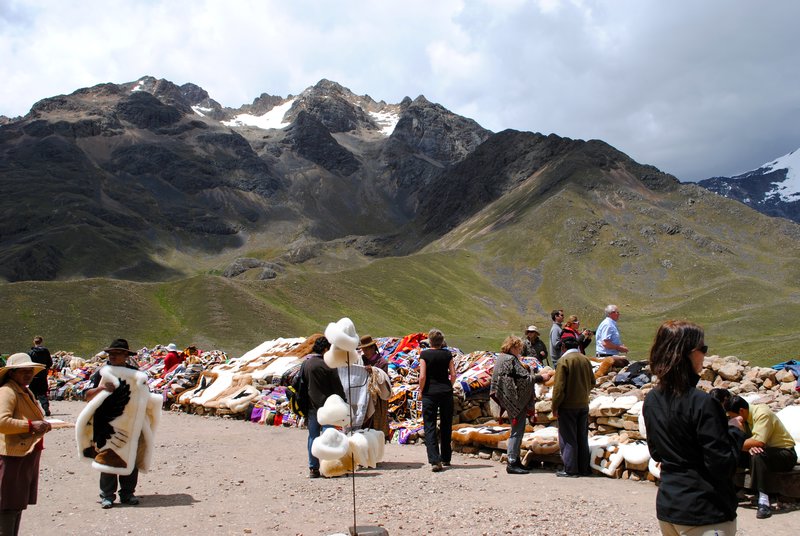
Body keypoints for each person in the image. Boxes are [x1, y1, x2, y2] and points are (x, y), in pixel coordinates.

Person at [642, 321, 745, 535]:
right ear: (687, 353)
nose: (705, 355)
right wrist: (735, 431)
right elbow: (722, 464)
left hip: (669, 506)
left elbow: (657, 452)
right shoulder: (703, 403)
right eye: (703, 349)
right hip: (705, 511)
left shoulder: (652, 399)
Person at [83, 339, 143, 509]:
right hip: (106, 423)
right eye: (111, 353)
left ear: (126, 355)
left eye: (117, 353)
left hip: (130, 423)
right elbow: (86, 395)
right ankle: (107, 495)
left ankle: (127, 493)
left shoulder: (136, 374)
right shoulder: (102, 373)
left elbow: (144, 397)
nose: (113, 356)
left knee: (130, 457)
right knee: (107, 457)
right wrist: (102, 389)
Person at [0, 353, 53, 536]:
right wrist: (31, 425)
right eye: (23, 371)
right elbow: (2, 422)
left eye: (30, 371)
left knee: (16, 504)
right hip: (12, 455)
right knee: (7, 505)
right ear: (12, 373)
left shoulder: (23, 390)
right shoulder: (8, 391)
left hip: (24, 453)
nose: (28, 374)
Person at [723, 394, 797, 519]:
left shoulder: (762, 414)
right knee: (731, 453)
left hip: (784, 454)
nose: (731, 418)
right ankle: (731, 490)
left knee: (757, 454)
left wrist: (734, 441)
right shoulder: (744, 418)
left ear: (741, 411)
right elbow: (749, 443)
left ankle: (764, 501)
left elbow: (759, 443)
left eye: (732, 415)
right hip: (761, 451)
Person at [491, 335, 552, 474]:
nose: (519, 350)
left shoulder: (501, 358)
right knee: (517, 431)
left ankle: (516, 460)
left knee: (517, 430)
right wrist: (540, 378)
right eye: (518, 348)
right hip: (515, 400)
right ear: (512, 347)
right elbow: (523, 379)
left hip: (509, 398)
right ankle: (512, 462)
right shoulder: (511, 359)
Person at [302, 336, 346, 479]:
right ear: (326, 349)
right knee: (330, 437)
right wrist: (343, 402)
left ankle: (313, 468)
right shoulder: (329, 365)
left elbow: (302, 385)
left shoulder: (306, 364)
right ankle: (330, 468)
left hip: (311, 407)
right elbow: (337, 387)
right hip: (328, 408)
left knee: (313, 437)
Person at [551, 337, 594, 477]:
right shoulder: (585, 359)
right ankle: (584, 467)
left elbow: (559, 387)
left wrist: (555, 406)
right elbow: (592, 381)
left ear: (563, 346)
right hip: (583, 403)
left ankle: (570, 468)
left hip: (568, 405)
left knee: (568, 437)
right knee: (582, 436)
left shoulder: (564, 361)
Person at [418, 328, 456, 472]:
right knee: (446, 424)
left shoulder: (424, 354)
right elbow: (453, 374)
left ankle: (434, 460)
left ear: (430, 341)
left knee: (430, 425)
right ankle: (446, 457)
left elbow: (422, 376)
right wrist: (449, 386)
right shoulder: (447, 354)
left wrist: (421, 390)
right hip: (446, 392)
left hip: (429, 393)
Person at [28, 336, 53, 417]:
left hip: (33, 375)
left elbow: (28, 364)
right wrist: (46, 369)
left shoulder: (30, 353)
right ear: (41, 342)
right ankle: (46, 408)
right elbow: (50, 362)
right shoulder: (46, 351)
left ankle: (32, 411)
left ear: (34, 342)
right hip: (42, 375)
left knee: (31, 394)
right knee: (42, 393)